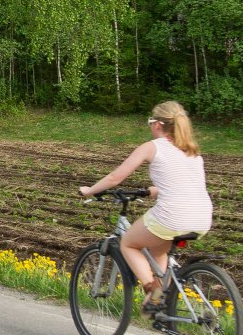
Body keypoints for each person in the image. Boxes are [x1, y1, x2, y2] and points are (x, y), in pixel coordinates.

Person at [77, 101, 213, 314]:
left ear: (158, 124)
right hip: (202, 217)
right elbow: (183, 184)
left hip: (172, 216)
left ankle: (151, 292)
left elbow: (115, 177)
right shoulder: (192, 152)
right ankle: (160, 300)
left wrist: (90, 190)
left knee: (129, 244)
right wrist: (152, 190)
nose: (150, 126)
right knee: (158, 252)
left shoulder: (152, 147)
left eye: (150, 122)